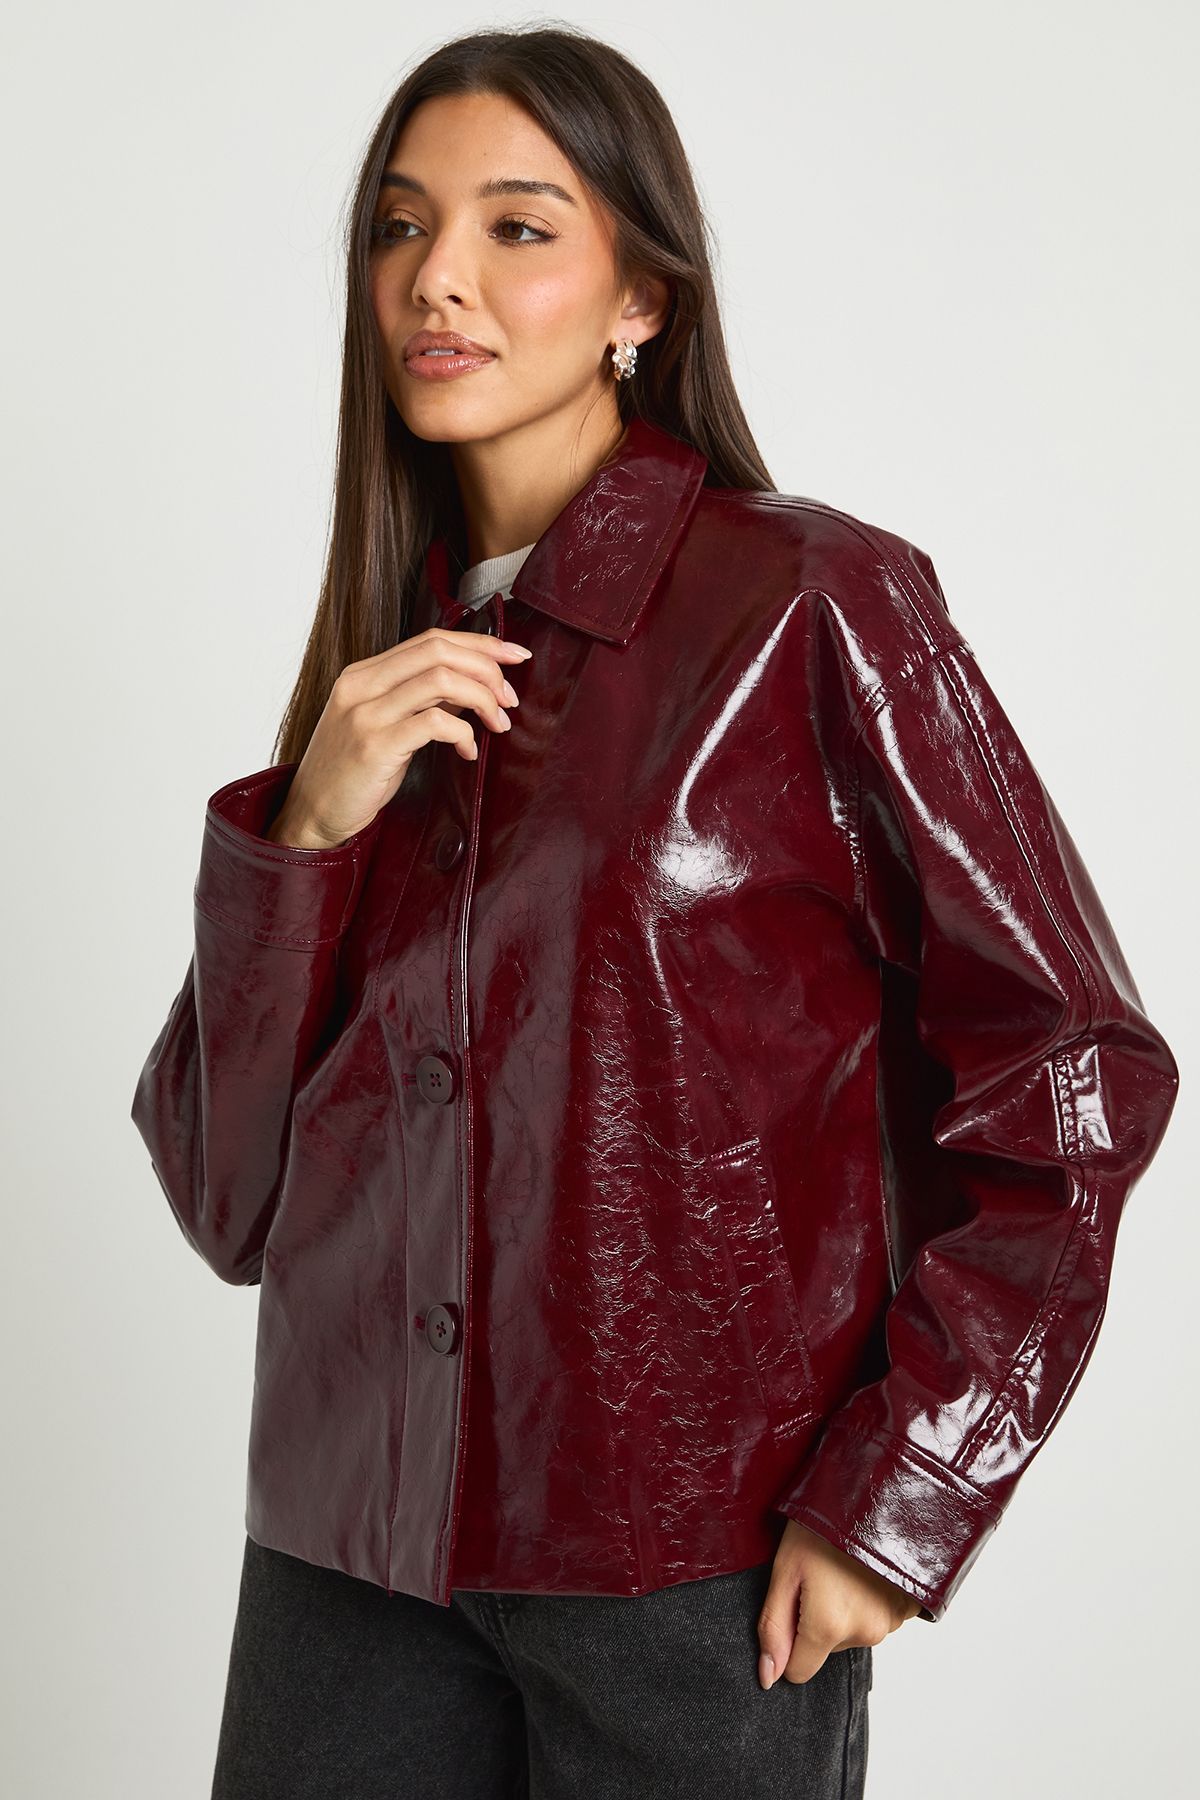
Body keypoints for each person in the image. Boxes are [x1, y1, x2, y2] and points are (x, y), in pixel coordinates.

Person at [130, 25, 1179, 1800]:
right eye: (400, 226)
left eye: (517, 227)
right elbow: (227, 1202)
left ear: (643, 300)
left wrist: (908, 1490)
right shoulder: (380, 688)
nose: (437, 278)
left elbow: (1071, 1070)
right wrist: (303, 829)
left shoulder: (813, 603)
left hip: (694, 1577)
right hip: (344, 1565)